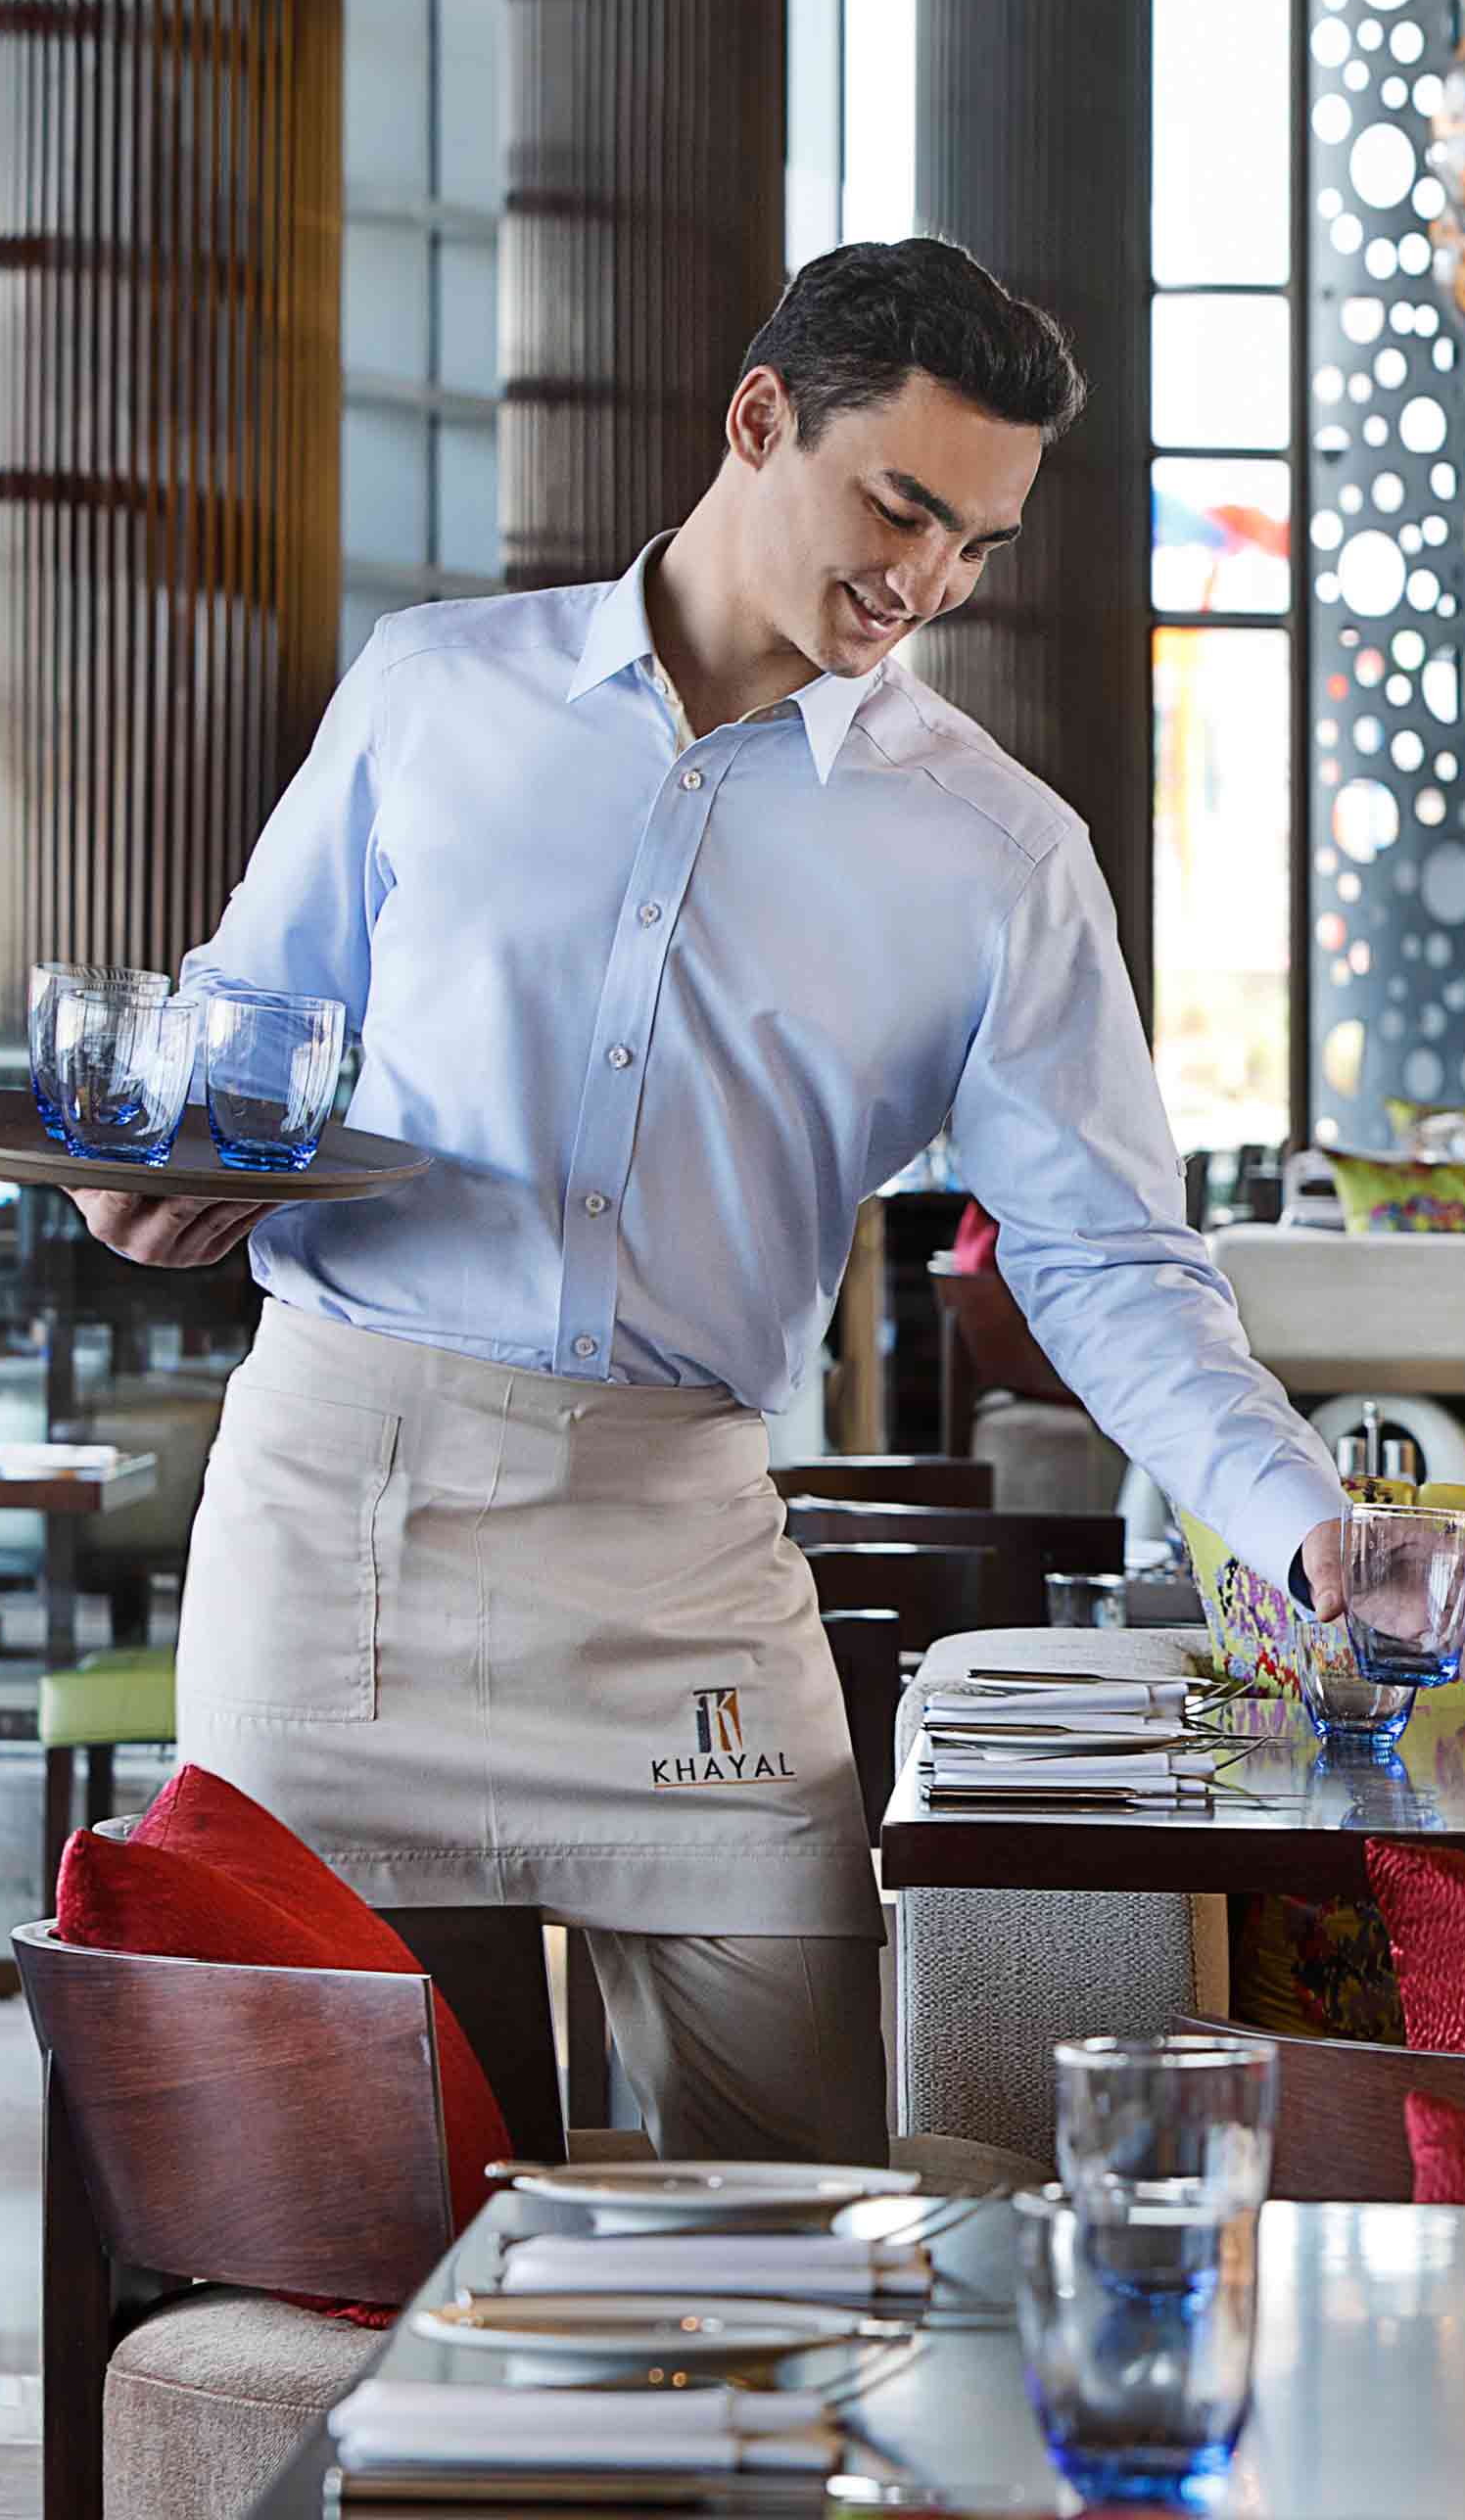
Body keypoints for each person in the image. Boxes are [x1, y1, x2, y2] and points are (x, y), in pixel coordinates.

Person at [71, 238, 1348, 2158]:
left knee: (801, 2188)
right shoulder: (432, 695)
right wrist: (150, 1179)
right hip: (344, 1530)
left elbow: (1106, 1260)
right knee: (384, 2216)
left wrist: (1298, 1516)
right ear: (760, 419)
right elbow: (242, 1041)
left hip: (681, 1556)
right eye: (900, 507)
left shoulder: (997, 855)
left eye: (977, 543)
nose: (927, 581)